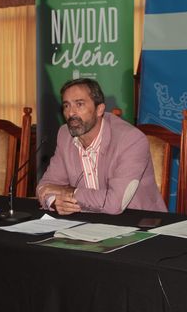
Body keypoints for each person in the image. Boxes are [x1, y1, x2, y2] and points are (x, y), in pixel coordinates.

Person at [37, 78, 166, 215]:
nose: (71, 113)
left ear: (99, 109)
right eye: (66, 106)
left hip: (138, 221)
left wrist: (69, 192)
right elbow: (45, 186)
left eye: (79, 104)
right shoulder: (65, 135)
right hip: (89, 221)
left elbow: (114, 204)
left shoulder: (130, 140)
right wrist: (55, 202)